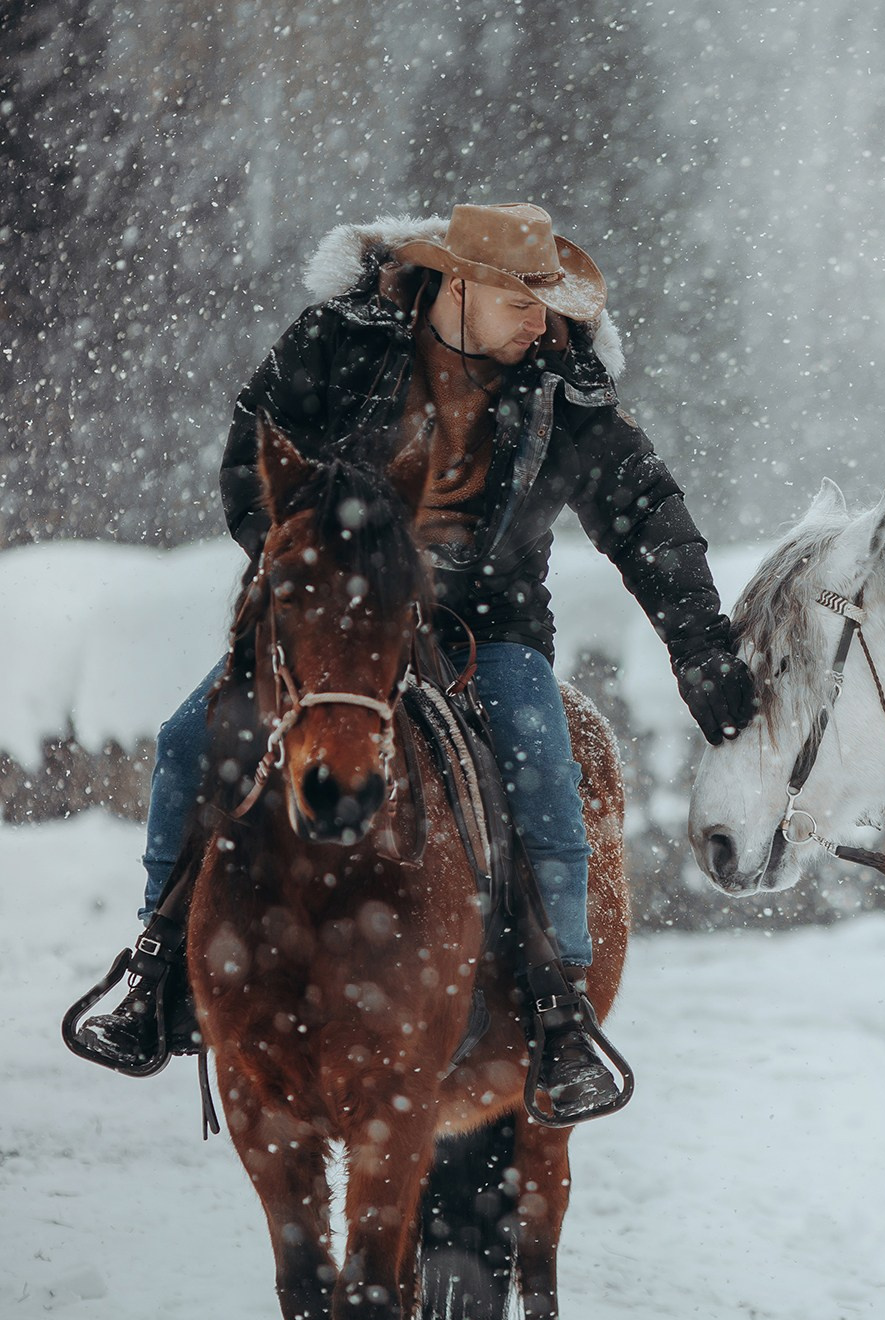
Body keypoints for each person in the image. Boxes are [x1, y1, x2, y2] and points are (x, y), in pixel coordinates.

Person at [73, 202, 758, 1117]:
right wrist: (311, 558)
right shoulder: (339, 339)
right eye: (524, 302)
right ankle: (158, 969)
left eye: (551, 306)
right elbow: (251, 454)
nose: (542, 323)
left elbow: (650, 524)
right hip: (341, 609)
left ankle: (558, 1016)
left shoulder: (566, 387)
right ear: (461, 286)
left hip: (490, 622)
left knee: (545, 773)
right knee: (191, 738)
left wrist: (703, 649)